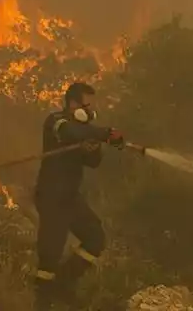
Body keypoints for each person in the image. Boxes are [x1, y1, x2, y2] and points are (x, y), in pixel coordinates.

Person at [32, 81, 124, 309]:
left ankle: (63, 284)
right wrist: (104, 133)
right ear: (73, 103)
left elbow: (94, 162)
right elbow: (70, 132)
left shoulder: (84, 132)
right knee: (50, 253)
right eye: (87, 104)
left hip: (70, 197)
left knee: (95, 238)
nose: (91, 109)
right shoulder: (56, 121)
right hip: (51, 195)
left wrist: (94, 147)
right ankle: (42, 301)